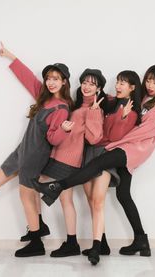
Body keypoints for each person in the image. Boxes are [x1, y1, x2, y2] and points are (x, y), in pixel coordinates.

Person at [32, 64, 155, 265]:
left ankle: (59, 188)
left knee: (99, 175)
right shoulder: (131, 101)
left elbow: (126, 133)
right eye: (148, 80)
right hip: (120, 148)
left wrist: (121, 120)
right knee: (122, 195)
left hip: (127, 150)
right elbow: (106, 118)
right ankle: (140, 240)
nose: (150, 85)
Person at [0, 43, 73, 258]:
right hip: (22, 151)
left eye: (56, 78)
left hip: (34, 156)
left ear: (64, 81)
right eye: (49, 78)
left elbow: (54, 139)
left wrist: (64, 130)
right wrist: (11, 57)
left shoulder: (61, 108)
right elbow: (28, 78)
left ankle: (36, 242)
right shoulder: (44, 98)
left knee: (26, 197)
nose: (51, 82)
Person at [40, 68, 107, 258]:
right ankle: (70, 242)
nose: (87, 86)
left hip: (69, 159)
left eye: (92, 84)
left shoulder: (94, 110)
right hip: (61, 155)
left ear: (99, 89)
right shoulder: (77, 106)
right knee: (62, 198)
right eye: (85, 82)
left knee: (65, 200)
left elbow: (95, 138)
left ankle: (71, 243)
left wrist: (94, 112)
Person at [81, 71, 142, 260]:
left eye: (123, 83)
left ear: (132, 88)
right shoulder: (111, 102)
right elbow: (91, 94)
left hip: (106, 155)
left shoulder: (131, 112)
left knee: (98, 200)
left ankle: (96, 247)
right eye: (117, 82)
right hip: (90, 152)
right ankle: (103, 244)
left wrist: (122, 118)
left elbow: (115, 137)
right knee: (91, 200)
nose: (118, 86)